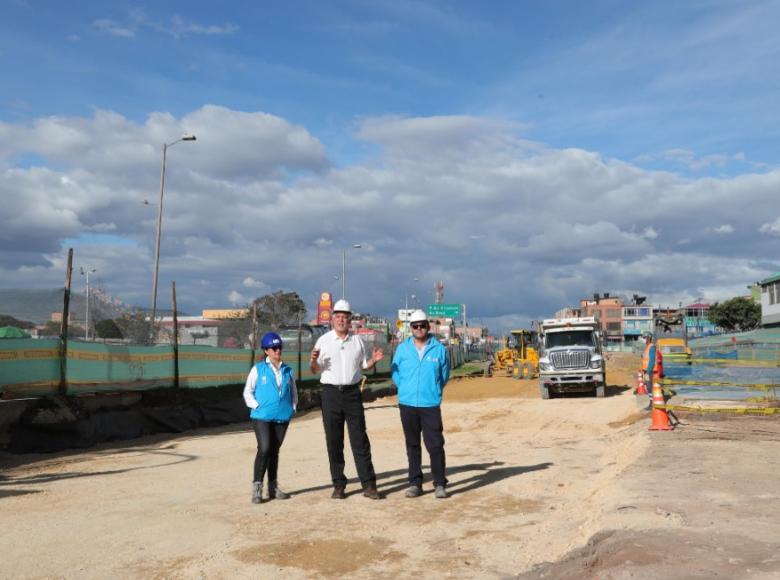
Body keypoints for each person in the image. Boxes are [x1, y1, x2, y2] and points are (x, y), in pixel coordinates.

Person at [310, 299, 385, 500]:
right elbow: (314, 369)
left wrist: (373, 361)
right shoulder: (323, 341)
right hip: (330, 394)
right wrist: (312, 361)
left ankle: (369, 485)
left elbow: (363, 365)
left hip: (352, 393)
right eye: (338, 316)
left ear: (350, 319)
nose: (342, 320)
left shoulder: (357, 341)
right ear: (333, 319)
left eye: (345, 316)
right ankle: (339, 485)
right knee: (334, 441)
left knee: (360, 439)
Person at [391, 309, 451, 499]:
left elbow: (444, 375)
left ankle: (440, 483)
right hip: (407, 404)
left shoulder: (439, 349)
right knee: (412, 445)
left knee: (435, 445)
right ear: (411, 328)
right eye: (415, 326)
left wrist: (433, 390)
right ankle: (415, 483)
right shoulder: (402, 349)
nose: (419, 329)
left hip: (430, 404)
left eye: (422, 325)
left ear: (428, 326)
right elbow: (395, 372)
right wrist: (404, 388)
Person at [243, 332, 298, 504]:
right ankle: (257, 488)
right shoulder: (258, 369)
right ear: (266, 350)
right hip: (262, 417)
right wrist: (257, 407)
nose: (277, 350)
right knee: (265, 448)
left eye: (279, 347)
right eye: (274, 348)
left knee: (274, 451)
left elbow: (294, 392)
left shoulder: (288, 370)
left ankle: (273, 487)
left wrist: (292, 408)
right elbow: (247, 392)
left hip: (282, 417)